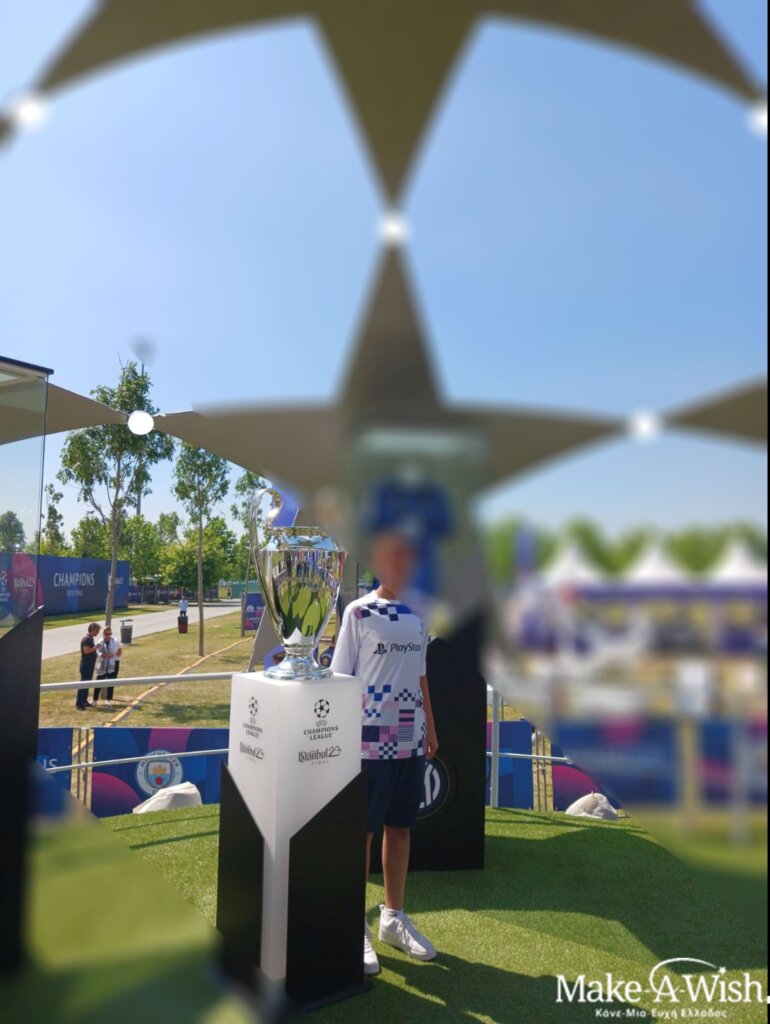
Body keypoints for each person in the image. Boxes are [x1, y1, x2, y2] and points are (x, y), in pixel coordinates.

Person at [331, 530, 440, 977]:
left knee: (401, 828)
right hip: (368, 742)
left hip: (411, 739)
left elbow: (421, 675)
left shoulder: (420, 613)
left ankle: (392, 919)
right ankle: (351, 924)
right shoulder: (359, 612)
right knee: (363, 833)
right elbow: (341, 677)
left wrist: (431, 725)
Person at [93, 626, 122, 706]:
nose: (108, 636)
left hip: (113, 663)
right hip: (102, 664)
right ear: (103, 634)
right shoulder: (100, 642)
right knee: (99, 682)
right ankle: (95, 700)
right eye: (106, 634)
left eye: (110, 634)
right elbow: (97, 652)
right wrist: (105, 655)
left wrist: (119, 652)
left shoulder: (115, 641)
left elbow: (119, 649)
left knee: (111, 682)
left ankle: (108, 700)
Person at [75, 622, 100, 710]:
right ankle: (79, 704)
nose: (98, 632)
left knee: (87, 683)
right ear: (92, 630)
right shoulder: (86, 639)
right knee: (83, 684)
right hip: (86, 665)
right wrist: (96, 648)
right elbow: (86, 651)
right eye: (97, 631)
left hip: (90, 664)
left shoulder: (90, 638)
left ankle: (84, 701)